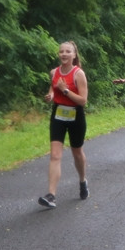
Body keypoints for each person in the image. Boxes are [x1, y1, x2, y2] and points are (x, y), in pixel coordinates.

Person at [38, 40, 88, 208]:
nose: (64, 54)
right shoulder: (54, 72)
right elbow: (53, 89)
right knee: (55, 155)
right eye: (61, 51)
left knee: (77, 153)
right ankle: (51, 195)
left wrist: (66, 90)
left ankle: (82, 181)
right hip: (58, 114)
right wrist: (51, 95)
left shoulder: (78, 74)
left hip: (76, 116)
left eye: (68, 51)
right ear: (58, 54)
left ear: (74, 55)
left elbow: (83, 101)